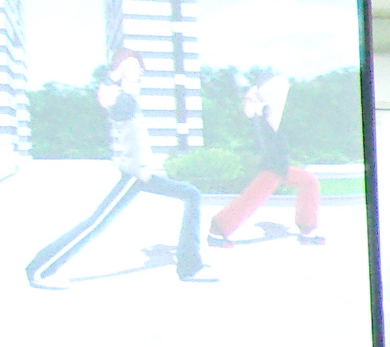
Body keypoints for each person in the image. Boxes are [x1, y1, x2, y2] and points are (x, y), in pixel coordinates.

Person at [24, 47, 212, 286]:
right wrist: (115, 73)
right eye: (136, 66)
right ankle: (40, 270)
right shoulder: (122, 100)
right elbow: (104, 98)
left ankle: (190, 267)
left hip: (144, 176)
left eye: (141, 67)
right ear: (123, 68)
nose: (141, 71)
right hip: (133, 176)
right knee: (95, 223)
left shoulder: (130, 98)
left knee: (191, 194)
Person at [211, 69, 322, 245]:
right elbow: (254, 107)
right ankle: (216, 231)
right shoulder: (264, 114)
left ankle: (307, 230)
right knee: (251, 199)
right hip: (273, 167)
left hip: (280, 166)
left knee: (309, 181)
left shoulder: (269, 114)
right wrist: (255, 97)